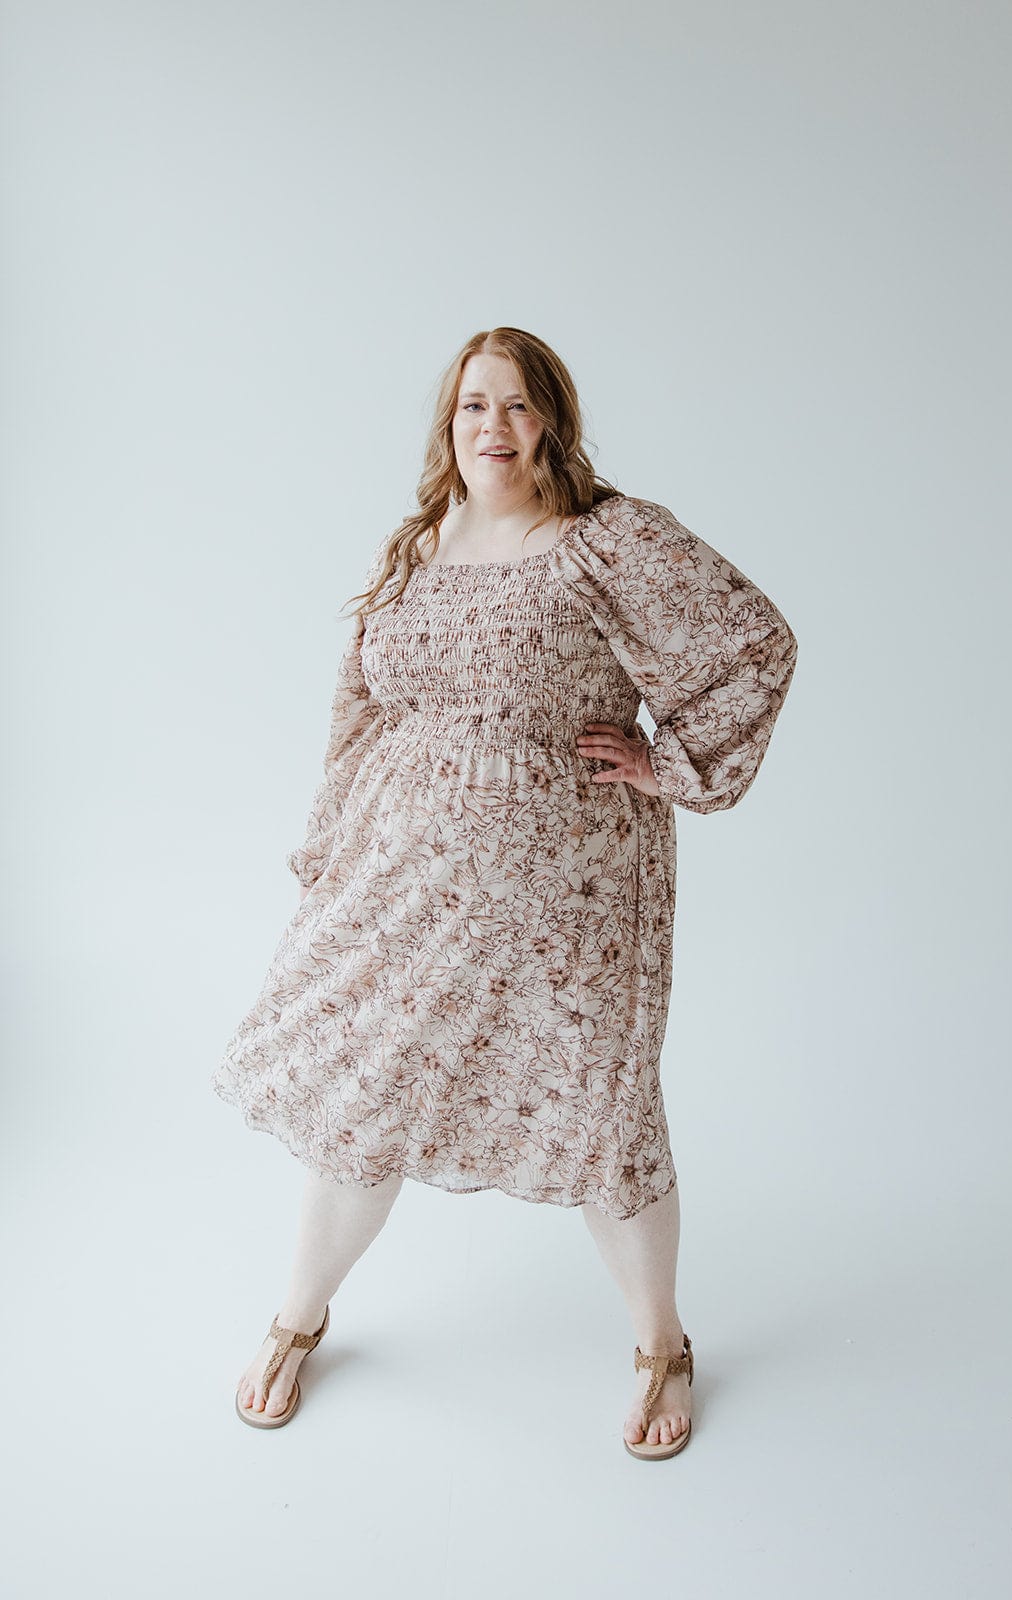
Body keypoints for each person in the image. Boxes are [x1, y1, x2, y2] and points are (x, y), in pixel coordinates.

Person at [211, 326, 799, 1459]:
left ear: (552, 425)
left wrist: (664, 763)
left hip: (565, 888)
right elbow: (363, 704)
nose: (493, 427)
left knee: (598, 1109)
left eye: (518, 407)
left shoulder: (603, 543)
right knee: (360, 1096)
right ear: (448, 422)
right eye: (474, 406)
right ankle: (299, 1316)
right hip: (402, 884)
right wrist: (333, 842)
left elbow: (753, 642)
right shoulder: (419, 543)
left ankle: (662, 1342)